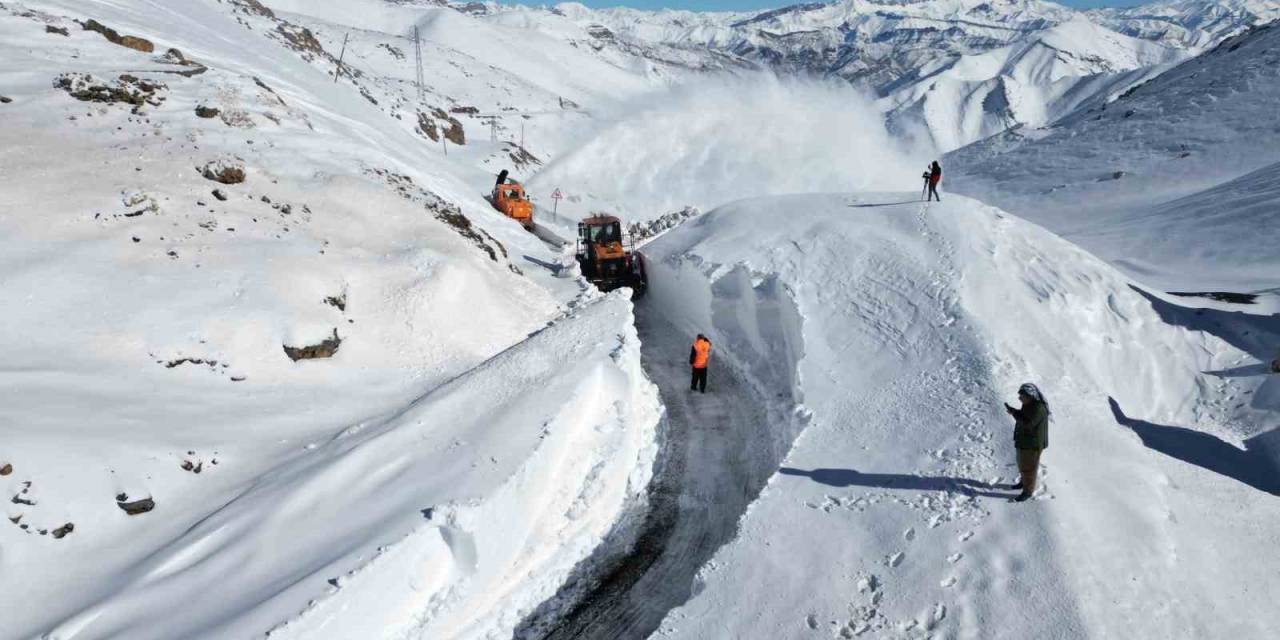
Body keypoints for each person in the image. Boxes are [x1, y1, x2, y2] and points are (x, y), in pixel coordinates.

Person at [1005, 383, 1049, 502]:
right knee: (1022, 464)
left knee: (1029, 468)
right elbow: (1024, 417)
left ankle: (1027, 491)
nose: (1019, 398)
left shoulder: (1038, 408)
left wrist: (1014, 413)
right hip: (1024, 442)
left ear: (1030, 395)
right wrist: (1014, 410)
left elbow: (1028, 424)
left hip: (1032, 445)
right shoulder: (1029, 405)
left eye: (1022, 395)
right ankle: (1023, 482)